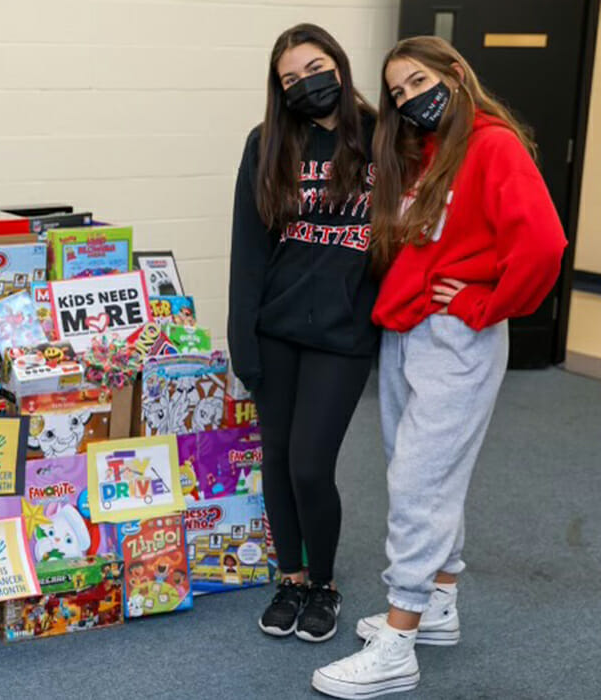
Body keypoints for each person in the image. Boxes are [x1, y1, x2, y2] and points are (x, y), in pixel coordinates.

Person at [311, 36, 566, 698]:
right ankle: (439, 604)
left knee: (421, 484)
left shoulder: (493, 143)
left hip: (455, 336)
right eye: (397, 93)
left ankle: (397, 644)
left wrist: (487, 304)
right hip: (408, 331)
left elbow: (542, 244)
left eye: (418, 82)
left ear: (455, 73)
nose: (409, 99)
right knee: (418, 471)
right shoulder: (426, 153)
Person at [228, 23, 379, 643]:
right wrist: (244, 339)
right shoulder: (267, 143)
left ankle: (324, 583)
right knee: (280, 461)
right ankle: (289, 578)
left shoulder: (384, 137)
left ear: (339, 66)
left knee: (312, 466)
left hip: (344, 332)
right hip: (277, 328)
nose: (304, 84)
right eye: (290, 78)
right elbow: (248, 248)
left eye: (314, 68)